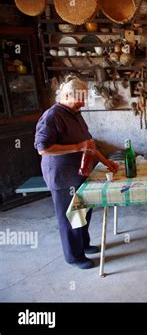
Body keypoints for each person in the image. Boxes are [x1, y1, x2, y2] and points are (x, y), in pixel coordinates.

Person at [34, 76, 118, 269]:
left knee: (84, 210)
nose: (83, 103)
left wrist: (107, 162)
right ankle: (74, 257)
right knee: (69, 216)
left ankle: (84, 244)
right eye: (79, 99)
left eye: (84, 98)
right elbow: (43, 148)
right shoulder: (52, 116)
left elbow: (88, 144)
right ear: (65, 95)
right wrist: (76, 147)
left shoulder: (75, 113)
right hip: (62, 176)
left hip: (80, 172)